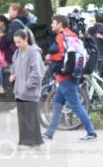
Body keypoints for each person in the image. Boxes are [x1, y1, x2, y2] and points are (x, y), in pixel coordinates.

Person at [42, 14, 98, 142]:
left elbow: (60, 55)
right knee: (57, 104)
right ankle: (49, 133)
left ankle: (91, 132)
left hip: (65, 76)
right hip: (73, 73)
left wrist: (49, 57)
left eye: (53, 23)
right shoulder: (73, 35)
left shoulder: (61, 36)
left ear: (60, 24)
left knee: (76, 105)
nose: (52, 25)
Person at [10, 28, 45, 147]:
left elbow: (38, 72)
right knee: (22, 118)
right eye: (15, 42)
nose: (17, 45)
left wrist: (27, 85)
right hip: (19, 90)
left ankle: (35, 141)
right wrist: (13, 75)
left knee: (31, 117)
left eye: (19, 42)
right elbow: (14, 65)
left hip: (29, 91)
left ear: (26, 39)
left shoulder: (34, 53)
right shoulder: (18, 52)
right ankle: (24, 140)